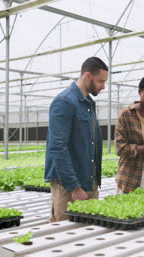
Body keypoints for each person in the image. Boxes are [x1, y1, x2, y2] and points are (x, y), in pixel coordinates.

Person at [44, 57, 108, 222]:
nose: (103, 86)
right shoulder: (64, 102)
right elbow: (57, 147)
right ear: (88, 76)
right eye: (101, 81)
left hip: (88, 182)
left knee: (89, 234)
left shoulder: (88, 104)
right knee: (64, 236)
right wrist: (74, 187)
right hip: (69, 187)